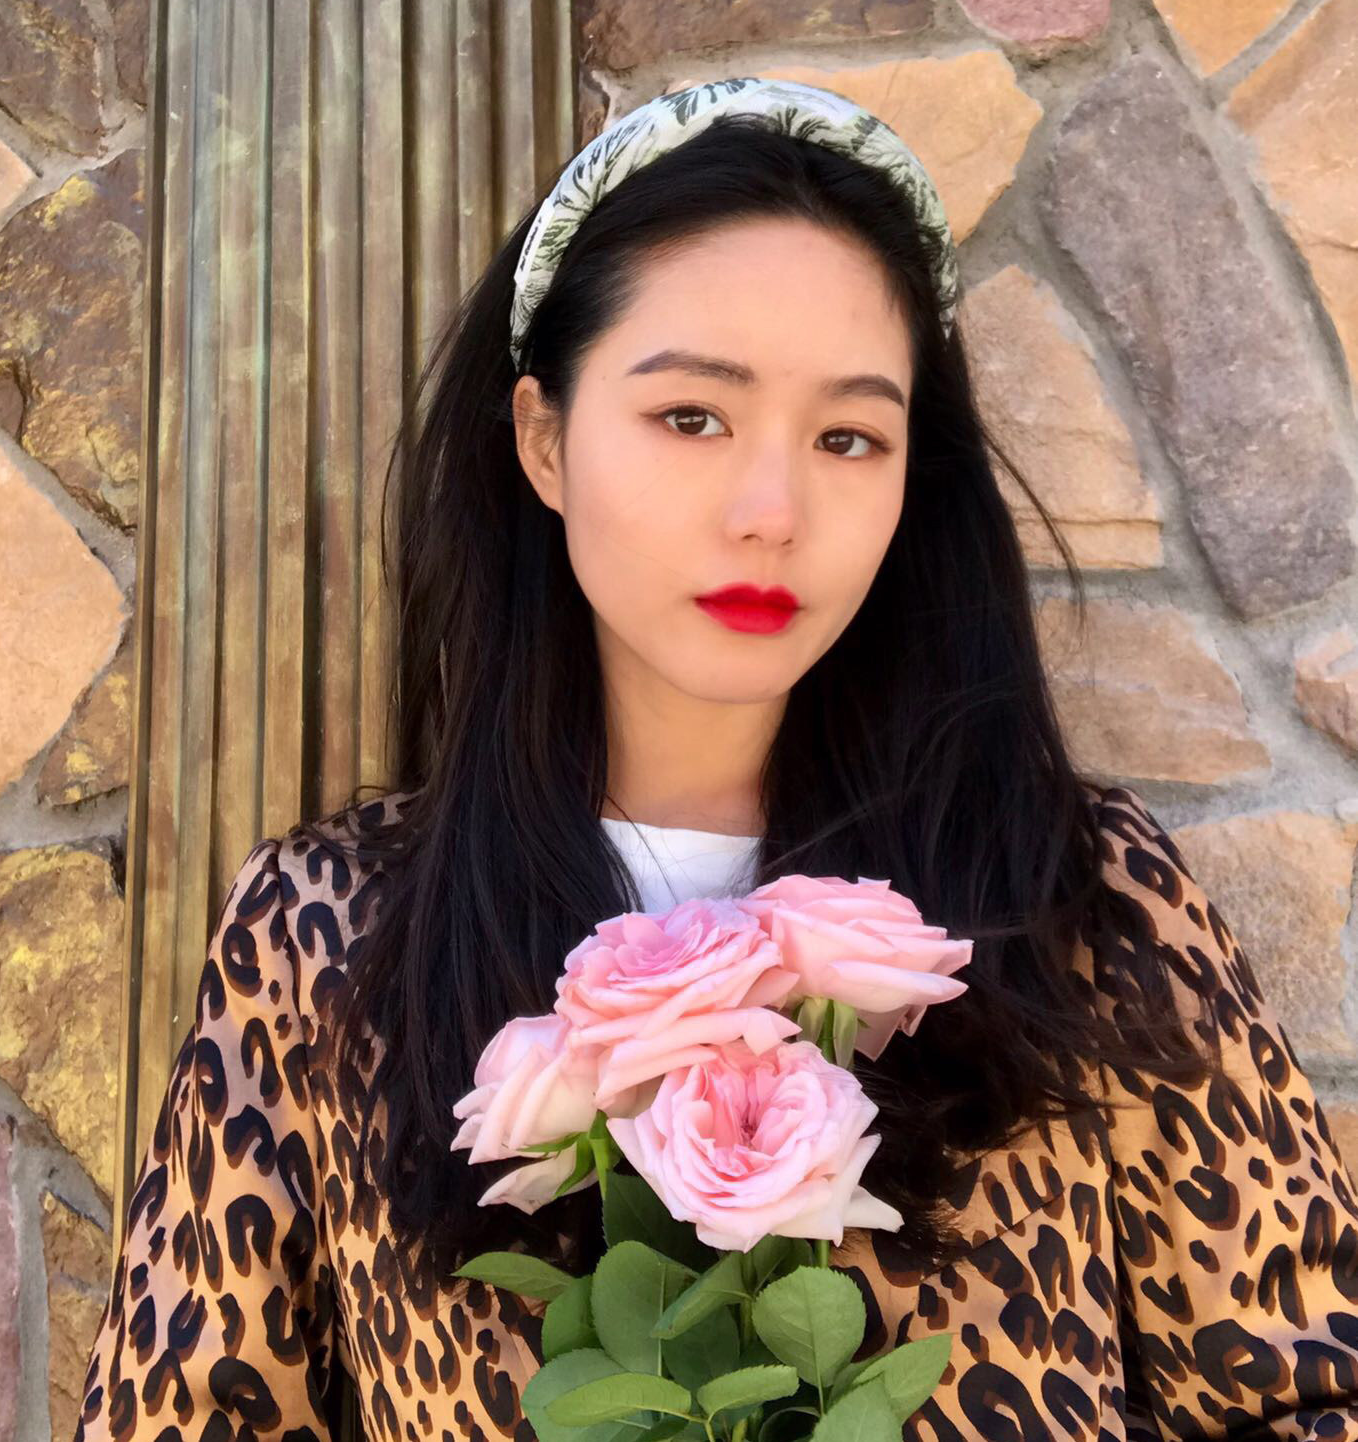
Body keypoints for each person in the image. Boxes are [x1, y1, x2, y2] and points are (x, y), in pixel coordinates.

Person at [71, 77, 1358, 1441]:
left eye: (848, 436)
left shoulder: (1074, 894)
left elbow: (1313, 1395)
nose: (770, 510)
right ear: (544, 439)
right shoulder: (330, 934)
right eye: (692, 416)